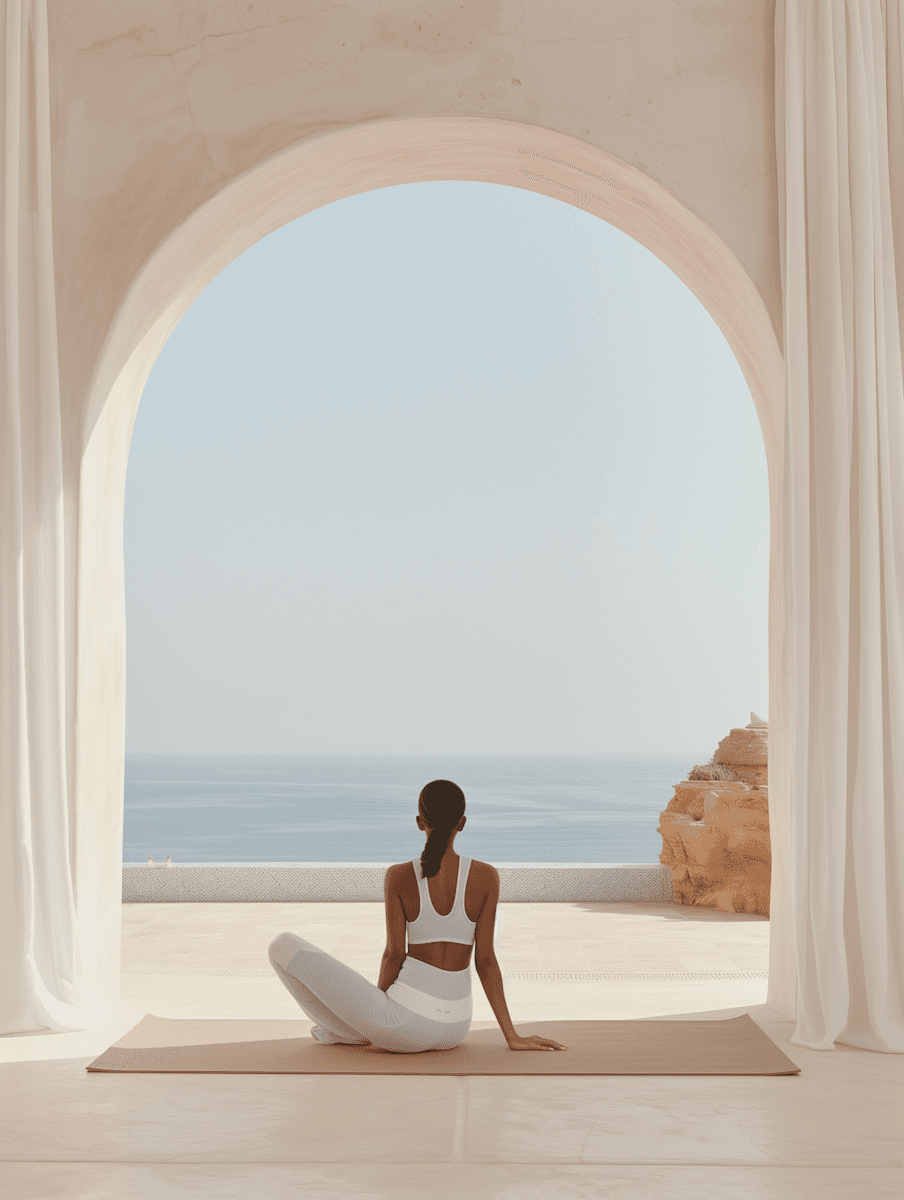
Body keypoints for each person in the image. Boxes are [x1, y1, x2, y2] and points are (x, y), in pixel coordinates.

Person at [268, 778, 567, 1054]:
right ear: (462, 824)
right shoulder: (487, 877)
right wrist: (512, 1036)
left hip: (404, 1028)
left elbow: (394, 955)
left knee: (281, 945)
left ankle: (353, 1031)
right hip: (457, 1028)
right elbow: (485, 960)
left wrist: (372, 1014)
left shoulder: (398, 876)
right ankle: (354, 1029)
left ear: (419, 822)